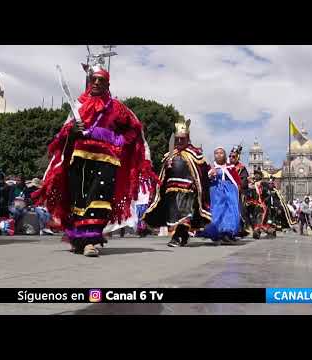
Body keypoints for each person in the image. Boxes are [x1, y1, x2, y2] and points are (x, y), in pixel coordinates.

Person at [33, 64, 158, 257]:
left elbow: (133, 128)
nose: (97, 83)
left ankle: (91, 240)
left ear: (108, 84)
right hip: (80, 158)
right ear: (89, 83)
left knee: (99, 199)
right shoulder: (79, 105)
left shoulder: (117, 107)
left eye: (101, 80)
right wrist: (72, 132)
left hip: (107, 160)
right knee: (78, 199)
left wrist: (118, 139)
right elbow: (64, 132)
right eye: (94, 80)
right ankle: (78, 238)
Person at [143, 117, 211, 247]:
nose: (179, 141)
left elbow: (202, 172)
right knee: (174, 216)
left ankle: (176, 238)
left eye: (182, 139)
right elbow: (162, 175)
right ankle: (183, 236)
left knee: (185, 212)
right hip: (171, 190)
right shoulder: (170, 154)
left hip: (188, 189)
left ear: (188, 138)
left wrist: (198, 184)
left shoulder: (195, 154)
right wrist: (166, 166)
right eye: (177, 139)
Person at [200, 147, 241, 244]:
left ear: (225, 155)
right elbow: (204, 180)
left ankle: (227, 233)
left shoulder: (230, 167)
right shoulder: (210, 167)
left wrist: (237, 190)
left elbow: (236, 180)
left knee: (230, 212)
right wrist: (210, 175)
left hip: (230, 193)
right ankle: (219, 233)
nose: (219, 155)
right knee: (218, 212)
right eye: (216, 153)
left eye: (221, 153)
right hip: (216, 193)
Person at [246, 168, 276, 239]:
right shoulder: (252, 184)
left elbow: (268, 194)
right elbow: (250, 194)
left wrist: (264, 201)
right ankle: (256, 229)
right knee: (253, 216)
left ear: (260, 176)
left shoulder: (264, 183)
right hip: (254, 203)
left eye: (258, 174)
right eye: (255, 174)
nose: (256, 176)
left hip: (263, 204)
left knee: (262, 218)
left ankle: (269, 230)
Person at [228, 145, 250, 237]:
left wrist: (237, 186)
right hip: (226, 192)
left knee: (240, 210)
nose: (231, 158)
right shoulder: (226, 166)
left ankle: (240, 228)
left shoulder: (241, 168)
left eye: (233, 156)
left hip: (237, 193)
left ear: (237, 157)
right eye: (230, 156)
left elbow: (244, 180)